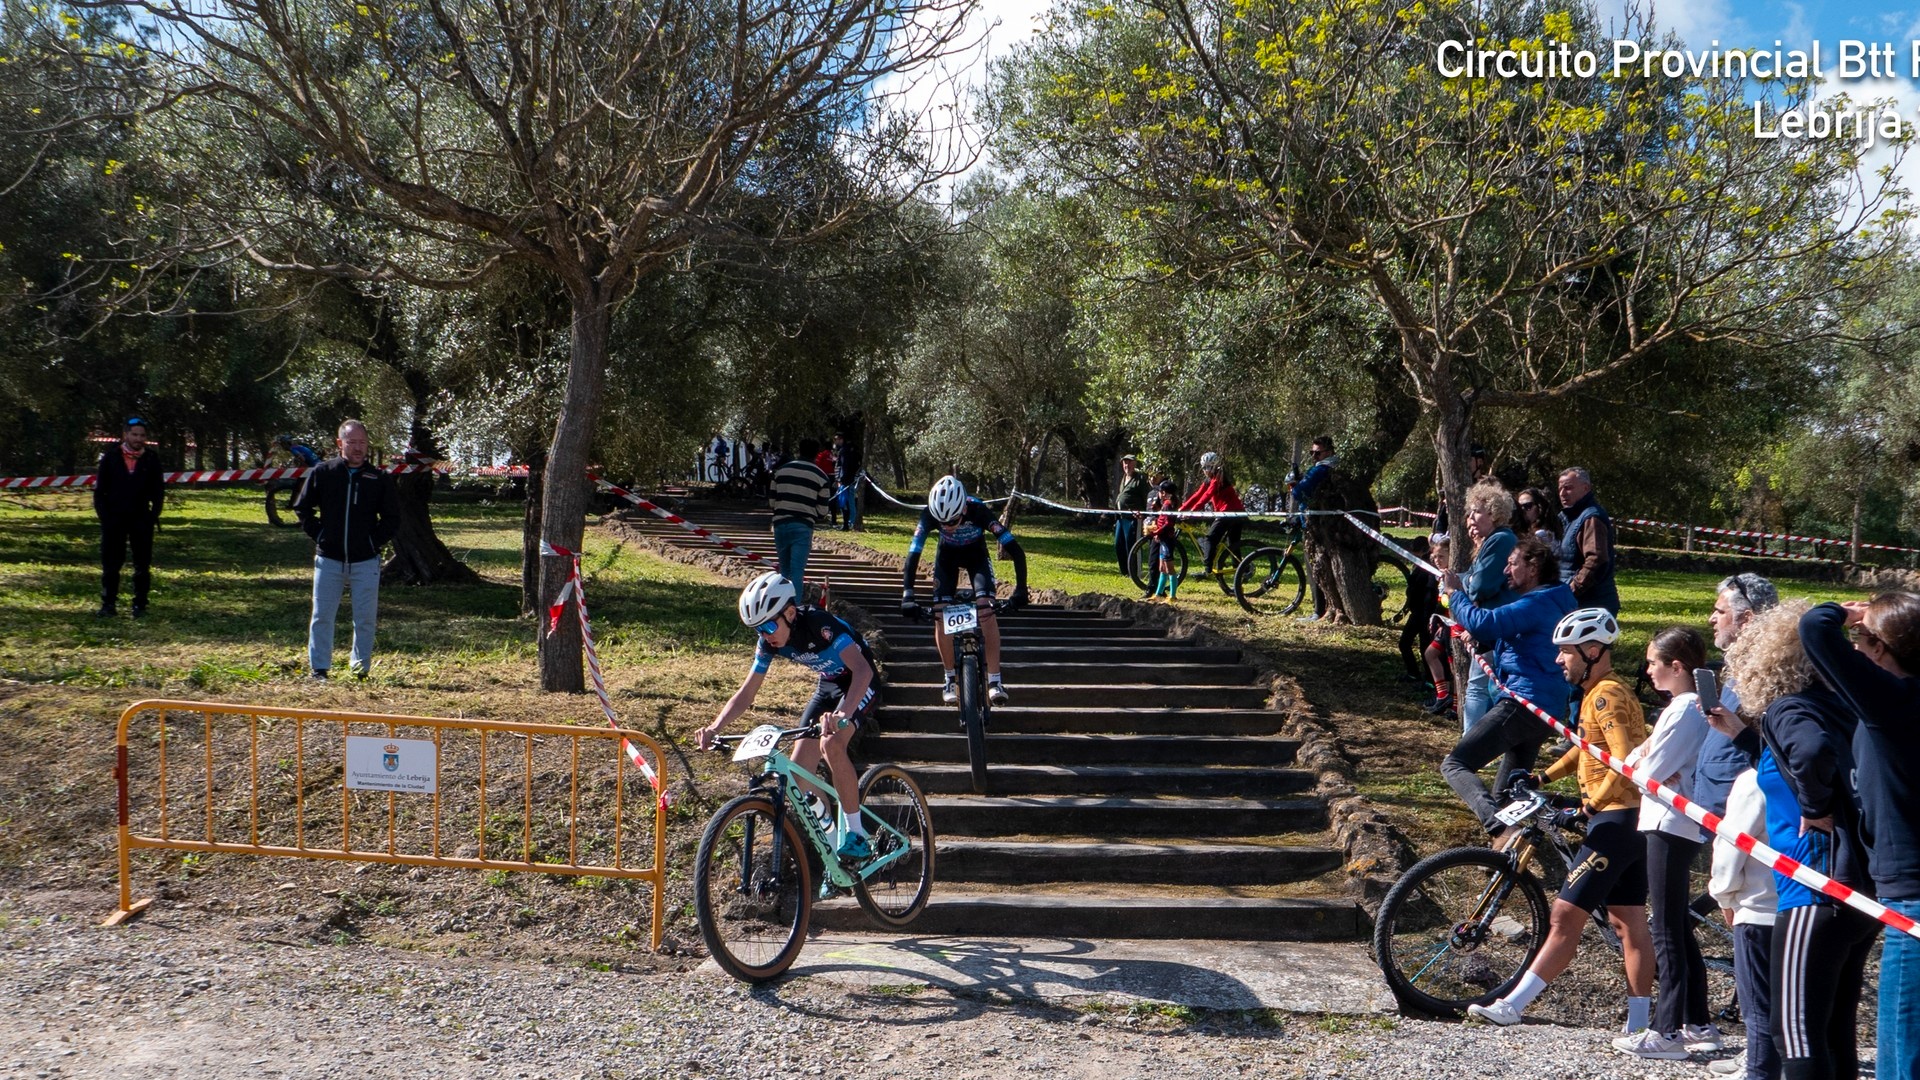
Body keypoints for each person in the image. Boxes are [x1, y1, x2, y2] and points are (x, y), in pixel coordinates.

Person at [1469, 608, 1657, 1033]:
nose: (1559, 660)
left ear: (1592, 650)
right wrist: (1543, 775)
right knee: (1628, 922)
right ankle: (1640, 1024)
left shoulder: (1606, 695)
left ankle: (1512, 1006)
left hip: (1614, 820)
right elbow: (1586, 749)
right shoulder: (1598, 693)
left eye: (1565, 652)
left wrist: (1591, 807)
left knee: (1564, 916)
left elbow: (1623, 760)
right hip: (1627, 820)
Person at [1722, 601, 1874, 1080]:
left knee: (1794, 1033)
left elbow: (1810, 752)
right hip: (1855, 889)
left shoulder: (1788, 707)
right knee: (1834, 1031)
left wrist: (1815, 808)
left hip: (1811, 888)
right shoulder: (1842, 707)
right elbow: (1794, 764)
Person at [1799, 593, 1920, 1080]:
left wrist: (1844, 611)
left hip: (1911, 896)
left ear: (1881, 648)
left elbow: (1813, 629)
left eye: (1861, 640)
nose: (1854, 647)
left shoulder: (1893, 700)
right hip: (1902, 890)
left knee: (1901, 1053)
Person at [696, 572, 878, 859]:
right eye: (757, 629)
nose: (765, 635)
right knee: (798, 779)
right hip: (829, 686)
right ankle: (834, 849)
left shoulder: (819, 625)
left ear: (790, 613)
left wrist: (843, 714)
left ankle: (857, 834)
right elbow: (747, 692)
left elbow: (863, 671)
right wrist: (715, 727)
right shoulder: (768, 642)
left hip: (859, 681)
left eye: (769, 625)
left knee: (831, 744)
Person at [1620, 626, 1721, 1058]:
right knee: (1677, 924)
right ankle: (1698, 1021)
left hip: (1669, 822)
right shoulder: (1683, 707)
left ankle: (1668, 1030)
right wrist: (1644, 763)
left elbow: (1647, 771)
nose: (1648, 671)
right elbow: (1634, 760)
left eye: (1653, 663)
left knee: (1665, 927)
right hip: (1669, 820)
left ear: (1676, 667)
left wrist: (1645, 765)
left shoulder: (1683, 709)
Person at [1439, 535, 1576, 834]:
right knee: (1507, 796)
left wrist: (1455, 593)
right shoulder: (1554, 598)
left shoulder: (1538, 602)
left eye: (1512, 564)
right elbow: (1518, 637)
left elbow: (1484, 622)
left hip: (1523, 703)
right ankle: (1512, 854)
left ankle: (1500, 830)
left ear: (1534, 567)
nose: (1505, 571)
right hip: (1546, 709)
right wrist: (1485, 640)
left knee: (1455, 765)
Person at [900, 476, 1029, 705]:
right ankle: (949, 677)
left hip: (976, 557)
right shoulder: (929, 514)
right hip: (946, 559)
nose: (948, 526)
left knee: (986, 610)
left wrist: (1020, 590)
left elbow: (1016, 551)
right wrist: (907, 594)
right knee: (940, 613)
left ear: (963, 508)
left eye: (953, 520)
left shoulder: (979, 510)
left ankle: (995, 680)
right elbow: (913, 554)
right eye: (943, 523)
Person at [292, 419, 400, 679]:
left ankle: (360, 669)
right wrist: (320, 535)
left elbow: (392, 518)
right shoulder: (324, 472)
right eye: (352, 442)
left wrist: (373, 543)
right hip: (329, 559)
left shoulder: (379, 478)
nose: (358, 448)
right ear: (340, 443)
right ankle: (319, 669)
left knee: (364, 618)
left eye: (362, 443)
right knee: (322, 616)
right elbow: (302, 508)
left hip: (365, 561)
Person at [1708, 762, 1780, 1080]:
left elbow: (1730, 845)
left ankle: (1758, 1067)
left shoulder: (1755, 779)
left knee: (1759, 1009)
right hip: (1805, 908)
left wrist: (1724, 896)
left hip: (1758, 906)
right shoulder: (1821, 769)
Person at [1458, 479, 1521, 729]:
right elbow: (1473, 580)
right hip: (1488, 625)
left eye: (1477, 511)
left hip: (1497, 624)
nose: (1471, 517)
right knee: (1478, 685)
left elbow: (1480, 586)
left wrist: (1464, 582)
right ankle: (1471, 742)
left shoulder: (1500, 540)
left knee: (1487, 688)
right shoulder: (1489, 542)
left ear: (1494, 514)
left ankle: (1473, 744)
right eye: (1470, 511)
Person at [94, 416, 165, 618]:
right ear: (125, 435)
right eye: (134, 434)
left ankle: (140, 605)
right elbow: (100, 491)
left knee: (142, 564)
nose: (138, 438)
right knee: (111, 564)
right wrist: (105, 517)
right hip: (114, 518)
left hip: (141, 519)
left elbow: (159, 490)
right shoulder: (110, 457)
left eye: (142, 435)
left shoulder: (151, 458)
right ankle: (108, 604)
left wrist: (153, 515)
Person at [768, 439, 832, 591]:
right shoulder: (821, 477)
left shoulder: (780, 471)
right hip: (803, 525)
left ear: (799, 450)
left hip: (780, 524)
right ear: (817, 454)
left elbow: (772, 502)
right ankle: (794, 608)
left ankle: (781, 607)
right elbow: (822, 511)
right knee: (797, 571)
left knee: (784, 571)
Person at [1556, 466, 1619, 614]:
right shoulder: (1568, 517)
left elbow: (1597, 560)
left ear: (1586, 488)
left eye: (1568, 488)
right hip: (1575, 601)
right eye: (1560, 489)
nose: (1562, 493)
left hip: (1591, 604)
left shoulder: (1591, 517)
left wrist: (1573, 588)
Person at [1288, 436, 1337, 619]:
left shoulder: (1321, 469)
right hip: (1322, 523)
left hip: (1315, 524)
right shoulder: (1330, 467)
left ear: (1329, 452)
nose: (1314, 456)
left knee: (1315, 568)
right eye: (1312, 453)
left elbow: (1300, 492)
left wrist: (1294, 485)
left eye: (1318, 453)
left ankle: (1319, 610)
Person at [1180, 451, 1244, 579]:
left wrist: (1192, 511)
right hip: (1232, 513)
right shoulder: (1209, 479)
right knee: (1232, 545)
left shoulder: (1218, 478)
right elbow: (1197, 495)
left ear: (1215, 466)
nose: (1205, 470)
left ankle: (1207, 570)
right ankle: (1242, 570)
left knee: (1210, 539)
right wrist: (1182, 509)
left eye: (1208, 467)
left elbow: (1207, 495)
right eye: (1204, 467)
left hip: (1230, 513)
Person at [1402, 532, 1446, 692]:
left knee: (1424, 647)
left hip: (1425, 614)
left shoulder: (1429, 567)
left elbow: (1430, 592)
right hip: (1417, 611)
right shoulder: (1422, 564)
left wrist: (1429, 617)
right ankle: (1414, 673)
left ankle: (1430, 681)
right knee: (1407, 643)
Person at [1113, 454, 1149, 578]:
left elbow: (1147, 498)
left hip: (1134, 518)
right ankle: (1125, 571)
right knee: (1119, 544)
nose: (1126, 465)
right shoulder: (1123, 478)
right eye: (1125, 463)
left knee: (1132, 545)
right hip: (1121, 518)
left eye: (1129, 463)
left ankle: (1135, 572)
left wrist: (1144, 513)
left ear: (1135, 464)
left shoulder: (1140, 479)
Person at [1145, 479, 1180, 602]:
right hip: (1162, 539)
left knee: (1169, 568)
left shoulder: (1168, 504)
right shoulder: (1165, 505)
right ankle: (1159, 593)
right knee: (1161, 568)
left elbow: (1168, 523)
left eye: (1160, 492)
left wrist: (1157, 532)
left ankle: (1173, 596)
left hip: (1167, 540)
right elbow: (1163, 518)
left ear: (1164, 493)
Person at [829, 433, 859, 531]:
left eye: (836, 439)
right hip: (849, 479)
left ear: (841, 439)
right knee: (848, 501)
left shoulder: (844, 451)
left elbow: (844, 466)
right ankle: (850, 522)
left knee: (846, 502)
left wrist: (841, 480)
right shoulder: (849, 450)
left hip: (846, 481)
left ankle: (850, 523)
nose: (835, 442)